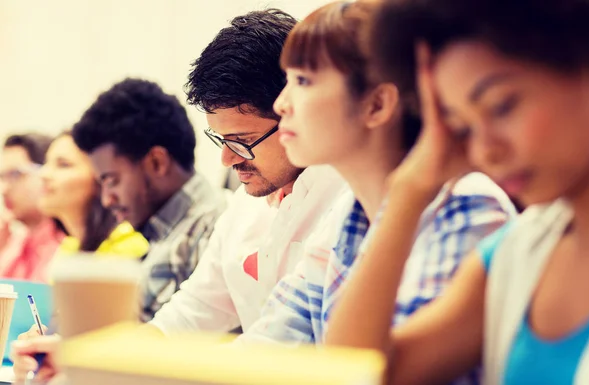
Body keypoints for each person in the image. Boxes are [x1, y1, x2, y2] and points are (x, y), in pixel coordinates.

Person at [12, 10, 349, 382]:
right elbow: (184, 318)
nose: (226, 158)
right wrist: (84, 358)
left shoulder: (343, 201)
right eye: (220, 140)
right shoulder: (243, 209)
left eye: (242, 141)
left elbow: (277, 349)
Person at [325, 0, 589, 384]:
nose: (485, 150)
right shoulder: (517, 254)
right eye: (462, 127)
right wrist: (409, 189)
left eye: (501, 106)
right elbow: (351, 374)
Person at [237, 0, 514, 356]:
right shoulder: (344, 215)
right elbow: (267, 344)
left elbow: (375, 370)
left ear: (378, 104)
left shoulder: (469, 208)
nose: (280, 104)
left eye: (303, 81)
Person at [71, 78, 226, 321]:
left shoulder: (215, 228)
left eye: (111, 180)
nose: (106, 199)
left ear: (157, 162)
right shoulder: (166, 234)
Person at [39, 132, 148, 258]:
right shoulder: (68, 249)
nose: (43, 174)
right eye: (45, 162)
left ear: (101, 178)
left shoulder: (129, 248)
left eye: (63, 165)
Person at [0, 133, 64, 281]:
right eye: (2, 177)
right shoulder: (12, 245)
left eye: (15, 174)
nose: (4, 189)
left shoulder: (69, 248)